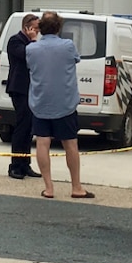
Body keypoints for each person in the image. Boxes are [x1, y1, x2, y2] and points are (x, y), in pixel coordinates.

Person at [26, 11, 94, 199]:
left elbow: (30, 64)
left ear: (39, 28)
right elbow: (76, 59)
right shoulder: (68, 46)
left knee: (42, 142)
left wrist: (33, 40)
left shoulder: (31, 48)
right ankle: (76, 187)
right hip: (65, 102)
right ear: (59, 27)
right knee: (70, 144)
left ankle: (49, 188)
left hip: (40, 102)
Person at [5, 13, 41, 180]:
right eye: (36, 27)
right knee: (21, 126)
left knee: (29, 128)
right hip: (20, 89)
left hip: (32, 90)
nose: (38, 31)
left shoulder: (30, 43)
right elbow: (29, 56)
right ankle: (15, 165)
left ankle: (25, 164)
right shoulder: (16, 41)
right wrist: (33, 40)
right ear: (28, 27)